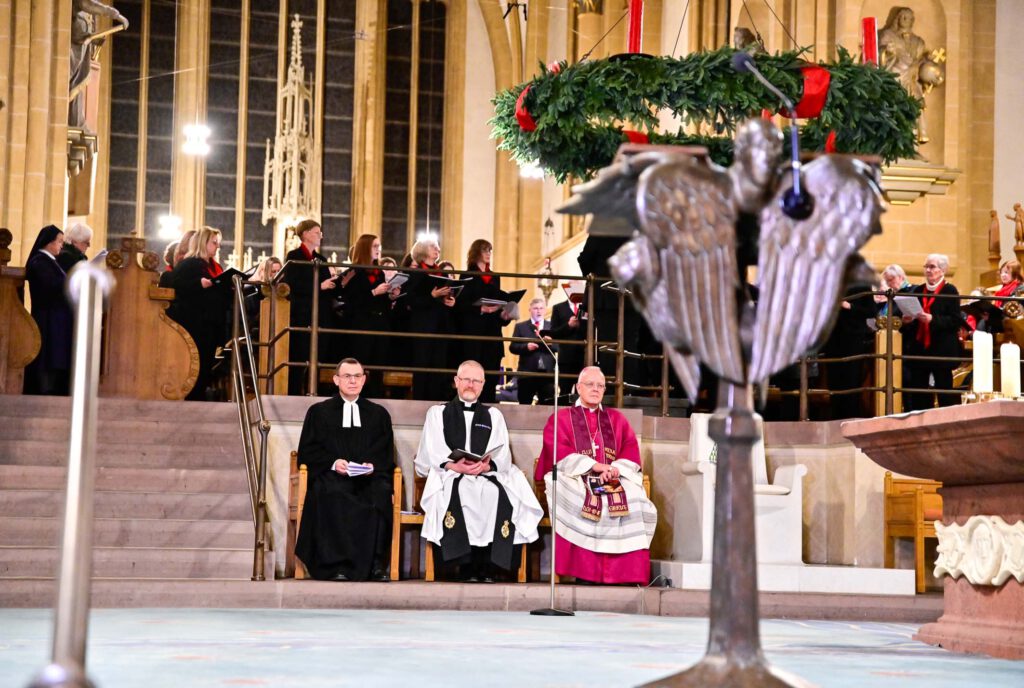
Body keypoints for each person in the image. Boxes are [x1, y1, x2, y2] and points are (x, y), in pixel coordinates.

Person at [415, 360, 542, 582]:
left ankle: (488, 565)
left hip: (485, 474)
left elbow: (501, 453)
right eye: (466, 379)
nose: (470, 385)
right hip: (451, 474)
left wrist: (486, 465)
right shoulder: (437, 413)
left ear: (483, 385)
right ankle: (464, 565)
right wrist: (454, 465)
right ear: (456, 382)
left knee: (494, 494)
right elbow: (432, 449)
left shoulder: (494, 416)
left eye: (476, 381)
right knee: (462, 491)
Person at [535, 366, 657, 585]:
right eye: (590, 384)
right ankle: (586, 573)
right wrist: (593, 466)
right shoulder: (561, 418)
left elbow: (630, 447)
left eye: (600, 385)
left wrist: (615, 469)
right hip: (576, 476)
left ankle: (623, 574)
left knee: (636, 500)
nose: (595, 389)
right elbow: (557, 449)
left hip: (612, 477)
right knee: (578, 497)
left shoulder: (616, 419)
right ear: (578, 387)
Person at [295, 358, 394, 581]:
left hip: (368, 478)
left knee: (380, 492)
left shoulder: (378, 414)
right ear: (336, 379)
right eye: (347, 376)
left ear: (364, 380)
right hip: (332, 476)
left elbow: (385, 452)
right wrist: (333, 462)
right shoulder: (319, 412)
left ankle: (374, 566)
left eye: (357, 376)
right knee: (332, 493)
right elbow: (307, 451)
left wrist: (372, 466)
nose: (352, 381)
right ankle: (335, 566)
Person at [170, 226, 231, 401]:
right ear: (203, 243)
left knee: (206, 365)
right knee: (196, 364)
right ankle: (193, 398)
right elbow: (177, 286)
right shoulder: (190, 263)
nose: (218, 247)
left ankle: (199, 395)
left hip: (210, 324)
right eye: (214, 243)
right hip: (196, 324)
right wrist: (199, 284)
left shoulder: (213, 265)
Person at [282, 219, 337, 395]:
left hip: (321, 314)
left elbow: (328, 287)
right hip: (303, 314)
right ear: (305, 234)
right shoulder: (294, 256)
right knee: (299, 358)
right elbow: (293, 284)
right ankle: (295, 394)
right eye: (316, 232)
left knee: (318, 358)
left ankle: (314, 393)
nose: (320, 235)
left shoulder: (321, 259)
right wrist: (319, 286)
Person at [339, 234, 399, 398]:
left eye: (379, 246)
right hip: (362, 323)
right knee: (360, 363)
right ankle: (358, 396)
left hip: (380, 322)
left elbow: (382, 301)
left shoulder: (379, 272)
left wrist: (391, 295)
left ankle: (376, 396)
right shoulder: (354, 272)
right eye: (375, 246)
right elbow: (351, 300)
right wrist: (373, 292)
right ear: (365, 248)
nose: (378, 249)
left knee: (378, 364)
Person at [901, 253, 962, 411]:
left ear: (942, 270)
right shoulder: (918, 290)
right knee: (919, 393)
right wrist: (908, 321)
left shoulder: (950, 290)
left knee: (944, 392)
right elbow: (911, 322)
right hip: (921, 349)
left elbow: (955, 321)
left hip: (941, 350)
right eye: (926, 267)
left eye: (932, 266)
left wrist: (933, 319)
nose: (928, 270)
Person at [456, 239, 513, 403]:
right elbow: (461, 306)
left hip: (493, 331)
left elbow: (498, 304)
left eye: (490, 250)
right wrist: (480, 309)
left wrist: (504, 316)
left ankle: (488, 404)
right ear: (476, 253)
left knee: (491, 371)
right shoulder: (467, 275)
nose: (489, 254)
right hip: (474, 331)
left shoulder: (495, 277)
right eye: (485, 250)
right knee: (473, 371)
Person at [23, 225, 72, 396]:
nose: (61, 245)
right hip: (47, 317)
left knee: (56, 354)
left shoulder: (51, 261)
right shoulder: (39, 261)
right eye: (59, 241)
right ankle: (45, 388)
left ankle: (54, 387)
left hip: (56, 316)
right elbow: (50, 286)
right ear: (48, 243)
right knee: (48, 356)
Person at [404, 237, 455, 401]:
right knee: (423, 367)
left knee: (438, 368)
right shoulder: (416, 273)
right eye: (433, 246)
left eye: (438, 246)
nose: (437, 248)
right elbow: (410, 300)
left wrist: (449, 300)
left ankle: (436, 402)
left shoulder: (442, 273)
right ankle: (419, 402)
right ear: (423, 250)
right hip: (423, 327)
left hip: (440, 326)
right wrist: (431, 296)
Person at [510, 298, 557, 405]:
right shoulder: (520, 326)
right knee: (524, 405)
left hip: (547, 374)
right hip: (527, 373)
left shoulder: (552, 327)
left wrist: (551, 344)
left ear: (545, 310)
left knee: (547, 406)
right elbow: (512, 347)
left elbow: (560, 347)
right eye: (535, 308)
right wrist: (526, 347)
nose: (539, 311)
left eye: (541, 308)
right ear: (530, 310)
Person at [548, 281, 587, 379]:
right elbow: (554, 332)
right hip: (566, 357)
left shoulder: (587, 308)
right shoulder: (558, 308)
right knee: (565, 388)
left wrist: (581, 324)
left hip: (584, 355)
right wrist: (568, 325)